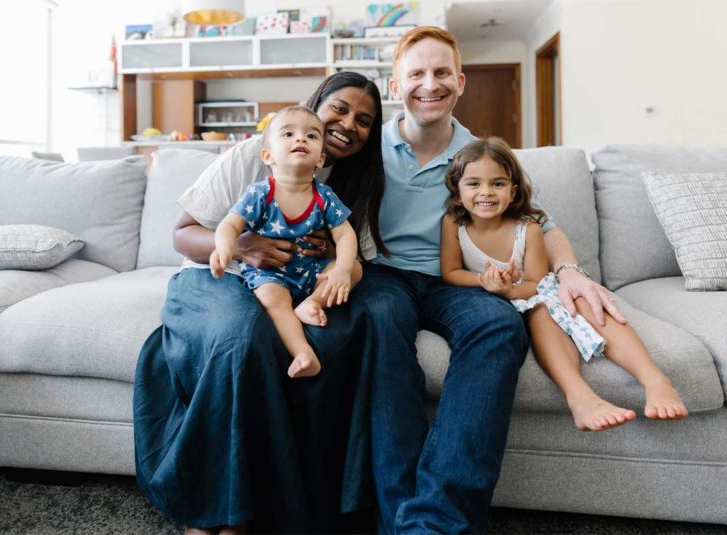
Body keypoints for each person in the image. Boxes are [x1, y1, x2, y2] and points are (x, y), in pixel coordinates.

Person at [353, 26, 629, 533]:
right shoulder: (366, 146)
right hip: (384, 277)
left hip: (459, 282)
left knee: (501, 327)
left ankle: (437, 521)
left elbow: (542, 224)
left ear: (460, 83)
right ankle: (399, 519)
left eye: (441, 73)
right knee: (377, 321)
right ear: (396, 87)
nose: (429, 84)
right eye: (416, 74)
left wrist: (569, 272)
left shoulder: (481, 155)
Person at [133, 71, 386, 534]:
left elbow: (358, 256)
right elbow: (182, 235)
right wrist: (245, 245)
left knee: (332, 342)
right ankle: (216, 510)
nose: (349, 124)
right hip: (222, 275)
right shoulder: (259, 154)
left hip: (301, 286)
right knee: (240, 338)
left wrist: (333, 263)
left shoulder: (356, 182)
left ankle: (290, 506)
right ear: (316, 103)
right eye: (340, 109)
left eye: (365, 120)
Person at [440, 136, 688, 433]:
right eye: (473, 184)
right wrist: (485, 281)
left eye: (497, 183)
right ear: (457, 192)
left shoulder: (529, 227)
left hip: (534, 291)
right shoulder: (453, 223)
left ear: (513, 190)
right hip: (491, 297)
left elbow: (535, 283)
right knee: (541, 315)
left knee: (577, 304)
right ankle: (580, 398)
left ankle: (655, 379)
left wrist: (508, 289)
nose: (486, 192)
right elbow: (451, 272)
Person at [209, 106, 363, 378]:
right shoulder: (260, 193)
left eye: (312, 136)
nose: (301, 139)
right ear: (268, 155)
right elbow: (230, 224)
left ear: (320, 159)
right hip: (269, 273)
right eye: (289, 134)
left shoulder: (324, 196)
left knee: (356, 269)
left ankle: (312, 303)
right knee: (272, 298)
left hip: (309, 272)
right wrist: (224, 247)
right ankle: (303, 352)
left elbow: (345, 234)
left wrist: (340, 269)